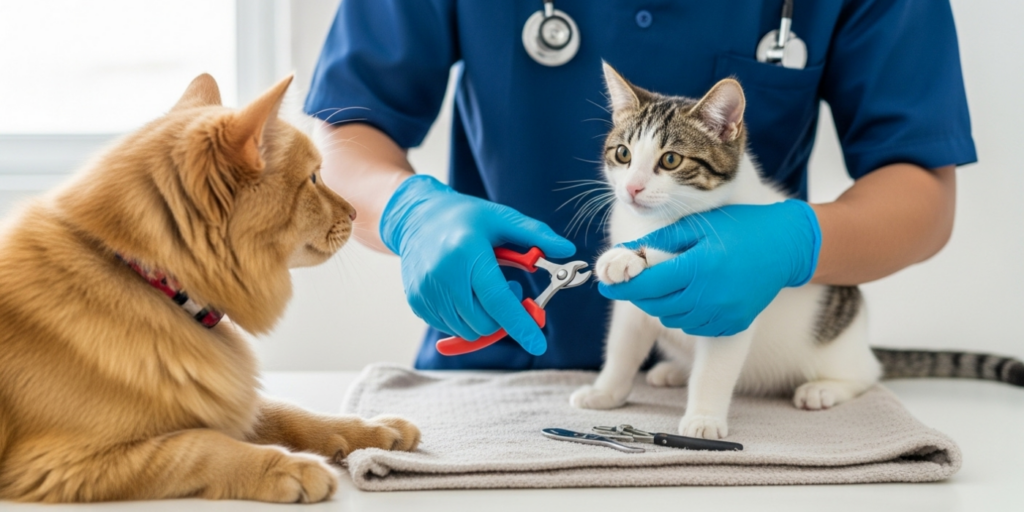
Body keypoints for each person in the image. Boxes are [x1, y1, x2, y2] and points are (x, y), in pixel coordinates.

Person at [304, 1, 974, 370]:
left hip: (741, 381)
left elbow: (920, 185)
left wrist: (798, 241)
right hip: (497, 363)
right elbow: (339, 133)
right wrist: (409, 213)